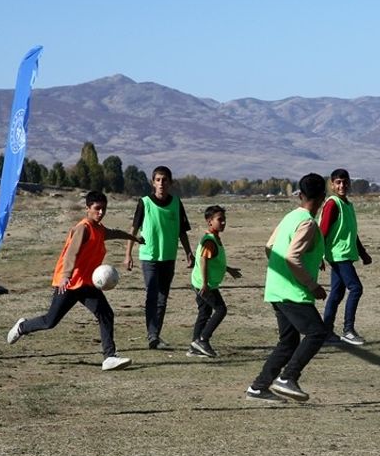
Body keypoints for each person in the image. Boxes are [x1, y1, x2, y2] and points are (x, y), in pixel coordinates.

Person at [8, 190, 143, 371]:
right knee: (50, 321)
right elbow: (71, 253)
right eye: (97, 209)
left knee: (106, 314)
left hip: (87, 284)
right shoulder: (83, 228)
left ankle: (109, 357)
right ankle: (22, 327)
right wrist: (65, 276)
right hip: (70, 284)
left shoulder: (99, 229)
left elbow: (114, 233)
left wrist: (134, 238)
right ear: (88, 208)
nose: (101, 213)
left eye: (104, 209)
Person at [246, 173, 330, 403]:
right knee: (317, 333)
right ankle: (288, 377)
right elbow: (293, 257)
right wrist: (312, 285)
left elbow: (270, 246)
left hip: (276, 288)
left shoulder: (291, 217)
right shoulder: (308, 223)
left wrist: (281, 272)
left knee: (289, 341)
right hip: (293, 292)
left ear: (300, 196)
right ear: (323, 196)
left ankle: (258, 387)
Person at [123, 166, 194, 350]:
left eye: (165, 180)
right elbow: (134, 230)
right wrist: (127, 254)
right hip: (149, 257)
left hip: (169, 257)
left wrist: (188, 252)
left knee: (163, 298)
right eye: (158, 180)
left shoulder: (177, 203)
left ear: (170, 182)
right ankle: (152, 335)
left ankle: (155, 336)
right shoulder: (144, 203)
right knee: (152, 295)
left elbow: (182, 231)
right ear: (152, 182)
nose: (161, 183)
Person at [318, 168, 373, 346]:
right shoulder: (332, 204)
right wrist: (318, 255)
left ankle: (325, 332)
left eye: (345, 182)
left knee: (337, 293)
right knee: (356, 288)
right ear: (332, 185)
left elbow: (352, 232)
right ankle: (348, 330)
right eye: (338, 182)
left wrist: (363, 253)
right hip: (337, 255)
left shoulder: (347, 205)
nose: (342, 185)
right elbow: (322, 231)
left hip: (345, 254)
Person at [189, 205, 241, 357]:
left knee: (204, 312)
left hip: (201, 282)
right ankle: (203, 340)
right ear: (209, 221)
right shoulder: (209, 241)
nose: (223, 223)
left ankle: (194, 345)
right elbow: (204, 260)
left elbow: (214, 261)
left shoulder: (214, 238)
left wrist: (228, 269)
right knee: (221, 310)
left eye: (224, 219)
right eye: (220, 220)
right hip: (204, 284)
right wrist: (205, 284)